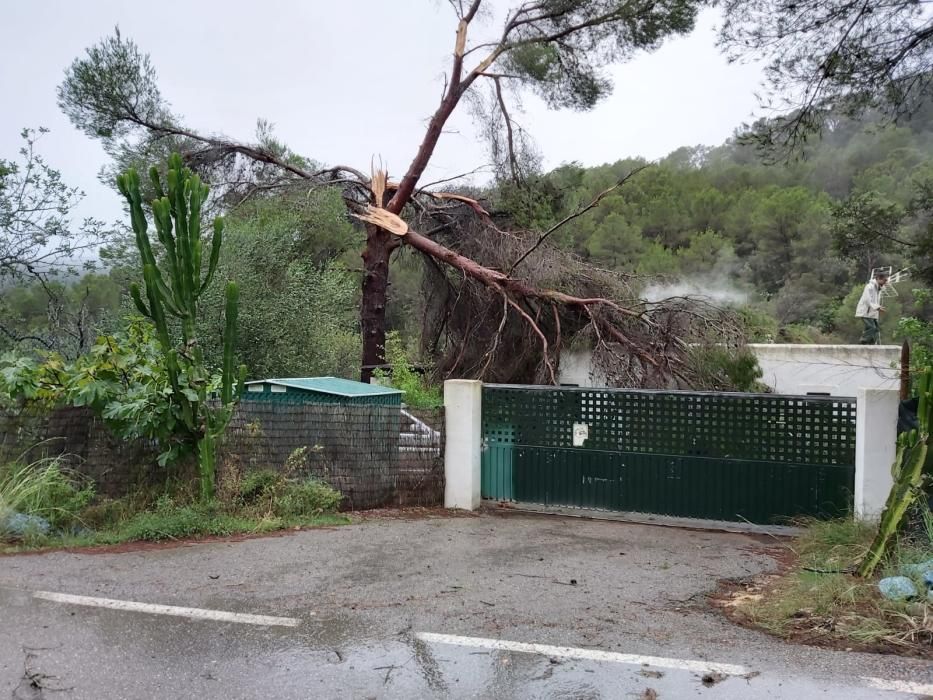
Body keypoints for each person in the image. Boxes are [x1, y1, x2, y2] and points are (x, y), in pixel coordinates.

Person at [855, 270, 888, 344]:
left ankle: (871, 343)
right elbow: (868, 299)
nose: (885, 282)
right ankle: (863, 341)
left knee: (876, 329)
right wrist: (877, 307)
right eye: (884, 280)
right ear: (878, 278)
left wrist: (878, 307)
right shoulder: (870, 286)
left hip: (872, 312)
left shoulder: (878, 288)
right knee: (871, 327)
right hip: (866, 311)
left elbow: (877, 297)